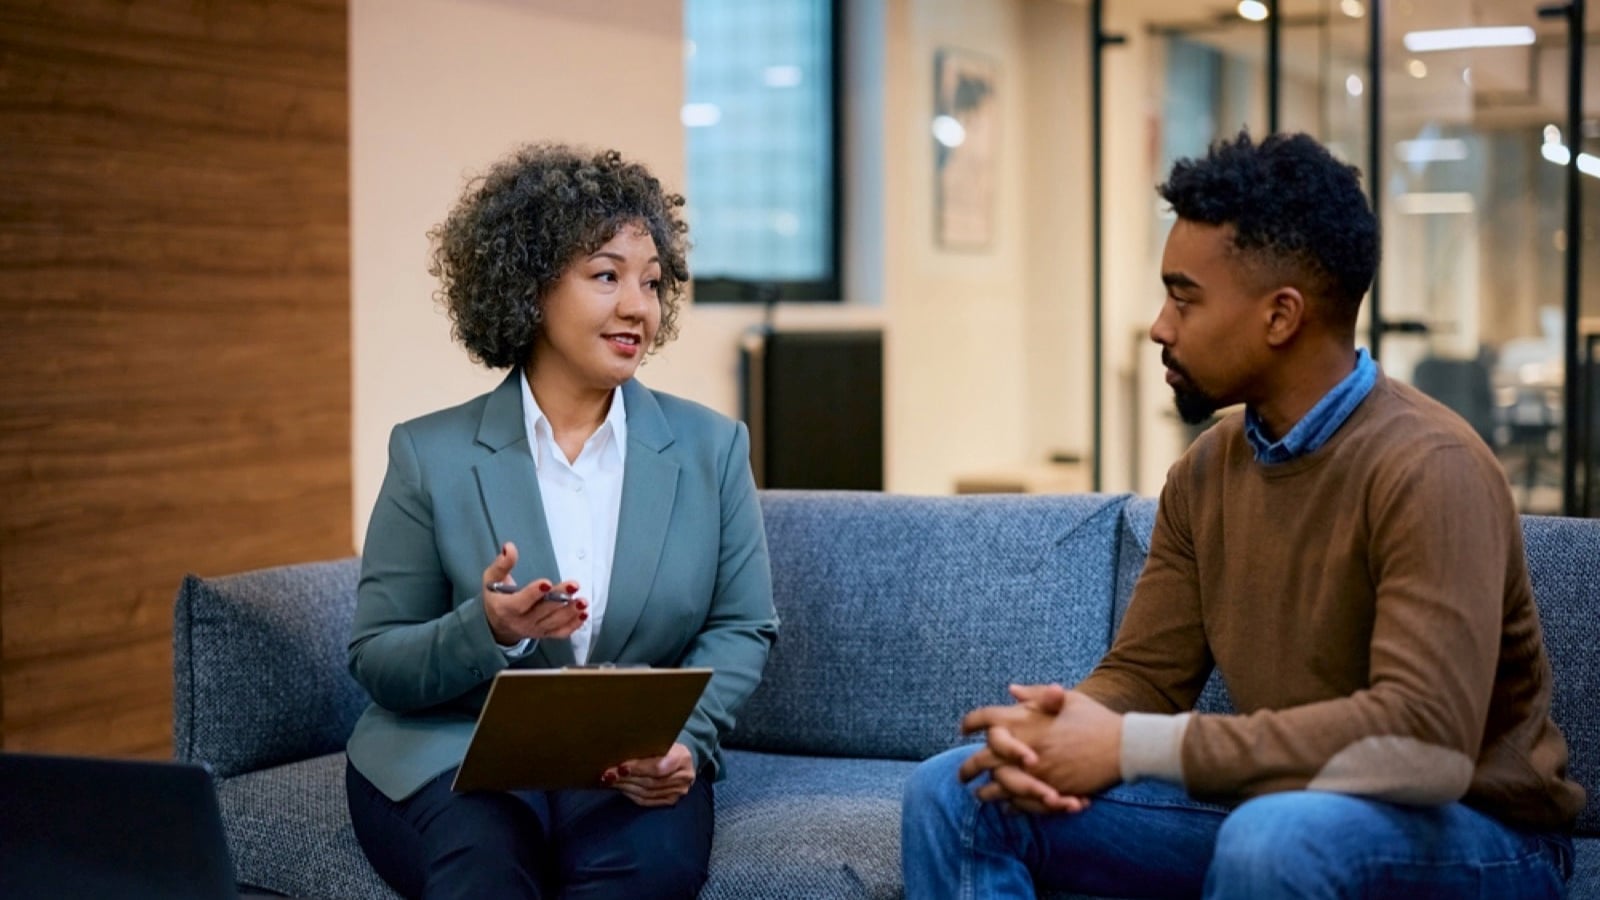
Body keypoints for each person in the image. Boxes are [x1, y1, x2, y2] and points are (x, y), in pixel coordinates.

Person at [901, 131, 1583, 898]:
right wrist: (1059, 734)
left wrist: (1132, 746)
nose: (1161, 325)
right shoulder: (1208, 469)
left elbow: (1425, 746)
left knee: (1274, 838)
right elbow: (1147, 676)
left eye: (1183, 297)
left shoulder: (1432, 467)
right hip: (1282, 811)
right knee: (958, 793)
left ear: (1281, 316)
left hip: (1478, 836)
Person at [344, 143, 778, 900]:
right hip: (453, 753)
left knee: (645, 872)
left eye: (651, 282)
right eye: (606, 276)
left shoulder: (712, 448)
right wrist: (490, 629)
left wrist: (686, 738)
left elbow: (743, 624)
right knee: (483, 871)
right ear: (529, 288)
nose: (638, 308)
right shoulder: (428, 454)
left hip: (629, 764)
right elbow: (379, 658)